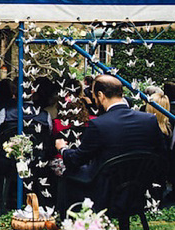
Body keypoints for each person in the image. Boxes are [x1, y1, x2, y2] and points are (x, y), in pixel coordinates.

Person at [56, 75, 165, 211]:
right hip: (139, 189)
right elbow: (161, 153)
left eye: (95, 96)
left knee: (67, 175)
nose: (94, 100)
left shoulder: (99, 124)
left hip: (105, 193)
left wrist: (63, 149)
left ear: (101, 95)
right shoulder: (149, 120)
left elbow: (76, 159)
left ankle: (71, 221)